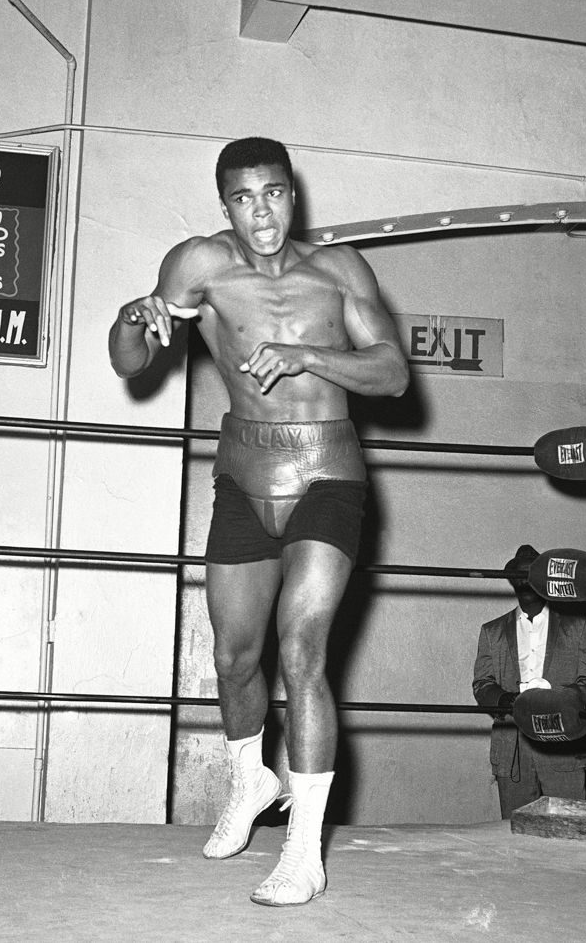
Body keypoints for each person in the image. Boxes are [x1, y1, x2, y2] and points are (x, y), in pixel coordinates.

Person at [108, 137, 409, 906]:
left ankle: (303, 849)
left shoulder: (338, 271)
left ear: (292, 194)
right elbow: (130, 360)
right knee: (236, 660)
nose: (261, 211)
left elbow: (394, 372)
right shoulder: (198, 266)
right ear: (225, 208)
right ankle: (250, 781)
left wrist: (310, 358)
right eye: (243, 199)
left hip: (326, 472)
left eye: (272, 193)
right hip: (243, 474)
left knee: (302, 647)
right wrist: (132, 318)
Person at [472, 544, 586, 819]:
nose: (524, 581)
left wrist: (564, 698)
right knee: (515, 833)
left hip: (563, 747)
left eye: (530, 573)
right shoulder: (492, 631)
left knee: (569, 830)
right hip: (512, 749)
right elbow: (482, 683)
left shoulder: (576, 626)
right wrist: (503, 700)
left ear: (544, 579)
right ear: (510, 581)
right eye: (518, 575)